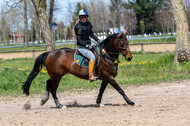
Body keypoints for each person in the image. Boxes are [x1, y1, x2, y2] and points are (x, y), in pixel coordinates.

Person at [74, 9, 101, 82]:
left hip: (89, 43)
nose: (83, 19)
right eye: (82, 17)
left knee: (100, 51)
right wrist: (87, 46)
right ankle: (91, 75)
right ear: (80, 18)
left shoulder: (88, 24)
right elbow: (79, 40)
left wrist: (98, 40)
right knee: (92, 57)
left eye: (85, 17)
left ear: (87, 17)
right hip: (81, 47)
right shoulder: (78, 26)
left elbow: (91, 34)